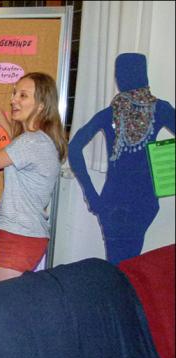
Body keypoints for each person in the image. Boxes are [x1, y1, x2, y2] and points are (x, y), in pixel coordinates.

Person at [68, 53, 175, 265]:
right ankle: (124, 297)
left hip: (112, 202)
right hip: (144, 201)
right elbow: (73, 149)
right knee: (129, 266)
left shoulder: (110, 113)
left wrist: (92, 195)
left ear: (119, 76)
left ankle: (118, 297)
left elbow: (74, 148)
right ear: (144, 74)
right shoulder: (160, 109)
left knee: (118, 265)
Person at [0, 72, 67, 282]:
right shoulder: (39, 140)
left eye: (23, 95)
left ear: (41, 105)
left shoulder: (30, 143)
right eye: (15, 93)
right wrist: (5, 124)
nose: (13, 99)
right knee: (14, 300)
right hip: (25, 233)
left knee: (9, 305)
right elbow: (19, 152)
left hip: (19, 235)